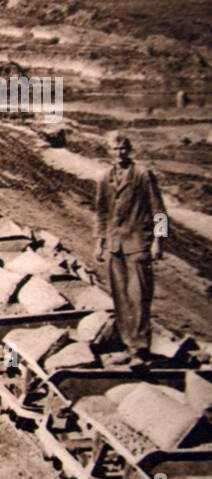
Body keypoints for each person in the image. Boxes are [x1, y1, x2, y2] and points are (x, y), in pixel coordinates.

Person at [95, 134, 167, 363]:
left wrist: (158, 240)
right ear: (109, 151)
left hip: (137, 244)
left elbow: (160, 211)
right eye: (115, 149)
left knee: (139, 297)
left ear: (130, 149)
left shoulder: (142, 175)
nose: (119, 153)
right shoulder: (105, 178)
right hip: (115, 246)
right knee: (121, 298)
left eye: (123, 149)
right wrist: (100, 243)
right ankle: (128, 345)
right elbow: (102, 213)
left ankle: (140, 349)